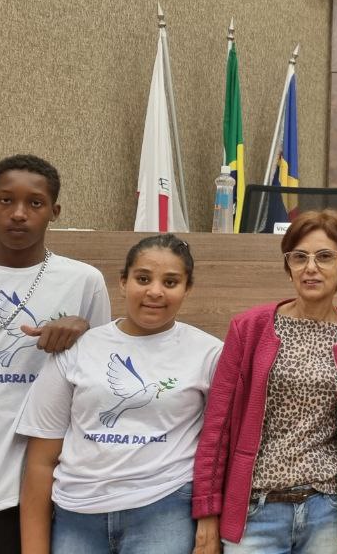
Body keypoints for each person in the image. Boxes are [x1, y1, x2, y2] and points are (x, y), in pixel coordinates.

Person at [0, 154, 111, 554]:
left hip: (28, 498)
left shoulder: (84, 282)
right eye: (5, 200)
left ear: (55, 211)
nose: (18, 214)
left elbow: (95, 386)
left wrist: (82, 330)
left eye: (35, 203)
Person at [192, 210, 337, 554]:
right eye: (300, 257)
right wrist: (207, 513)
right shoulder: (249, 329)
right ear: (289, 266)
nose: (311, 267)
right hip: (256, 512)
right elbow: (216, 428)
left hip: (330, 512)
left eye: (324, 256)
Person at [17, 234, 222, 554]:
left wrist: (210, 521)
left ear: (187, 289)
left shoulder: (209, 353)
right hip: (76, 516)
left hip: (163, 510)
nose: (155, 291)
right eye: (143, 278)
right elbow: (41, 460)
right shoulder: (78, 350)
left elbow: (221, 448)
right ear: (123, 282)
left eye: (170, 282)